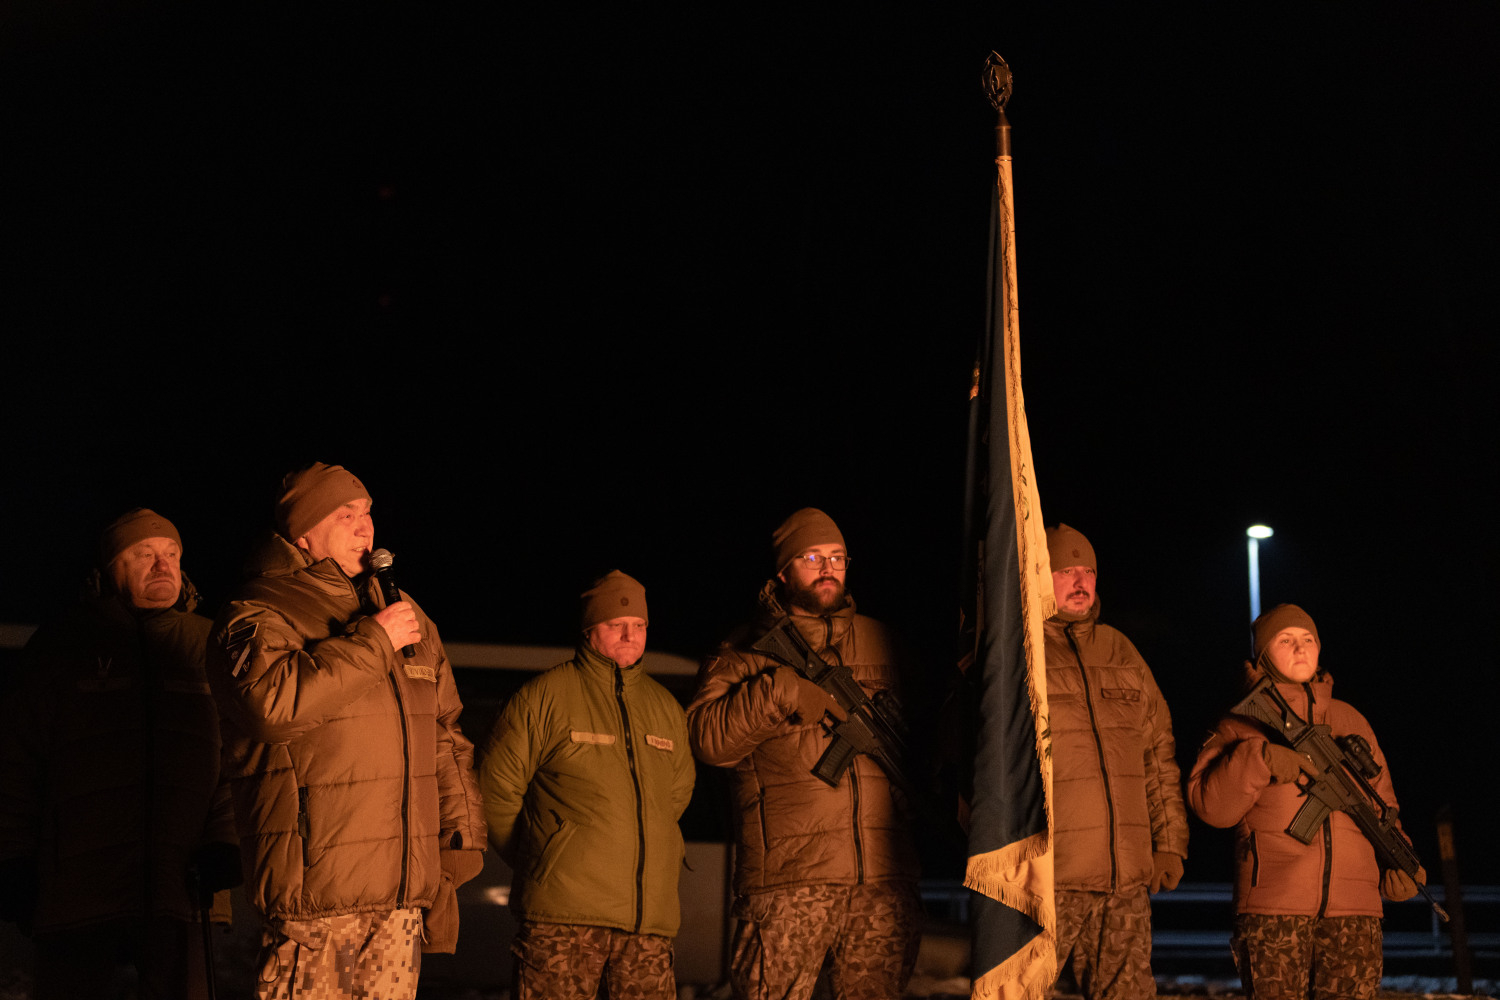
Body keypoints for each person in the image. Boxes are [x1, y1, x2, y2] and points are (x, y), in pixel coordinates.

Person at [208, 462, 485, 1000]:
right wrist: (373, 643)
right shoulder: (258, 609)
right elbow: (271, 705)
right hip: (317, 895)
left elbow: (446, 730)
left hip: (401, 896)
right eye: (345, 514)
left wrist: (460, 838)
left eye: (368, 514)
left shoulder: (407, 615)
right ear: (302, 533)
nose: (365, 527)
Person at [0, 508, 239, 1000]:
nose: (163, 566)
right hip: (78, 890)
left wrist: (225, 842)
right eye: (143, 555)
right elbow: (16, 764)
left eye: (171, 554)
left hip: (184, 886)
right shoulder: (62, 647)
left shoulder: (210, 646)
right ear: (110, 568)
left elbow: (236, 759)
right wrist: (16, 860)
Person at [688, 507, 921, 1000]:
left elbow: (926, 735)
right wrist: (778, 693)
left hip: (882, 880)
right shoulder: (745, 650)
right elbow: (708, 740)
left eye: (838, 557)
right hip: (790, 880)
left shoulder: (885, 643)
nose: (828, 568)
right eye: (813, 558)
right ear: (783, 573)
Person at [1187, 603, 1422, 1000]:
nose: (1300, 649)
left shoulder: (1351, 719)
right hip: (1273, 911)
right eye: (1286, 640)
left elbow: (1383, 804)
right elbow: (1210, 806)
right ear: (1263, 655)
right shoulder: (1241, 723)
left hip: (1355, 912)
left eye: (1308, 640)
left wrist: (1402, 861)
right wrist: (1259, 760)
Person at [480, 570, 695, 997]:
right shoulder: (545, 696)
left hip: (647, 924)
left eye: (639, 626)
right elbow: (492, 792)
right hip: (562, 921)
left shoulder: (665, 707)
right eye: (616, 625)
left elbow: (676, 794)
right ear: (589, 628)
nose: (629, 635)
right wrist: (544, 858)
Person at [1044, 523, 1189, 1000]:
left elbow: (1157, 754)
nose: (1081, 581)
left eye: (1087, 570)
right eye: (1066, 570)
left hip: (1124, 876)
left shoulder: (1121, 651)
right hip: (1049, 877)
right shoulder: (1019, 653)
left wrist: (1169, 843)